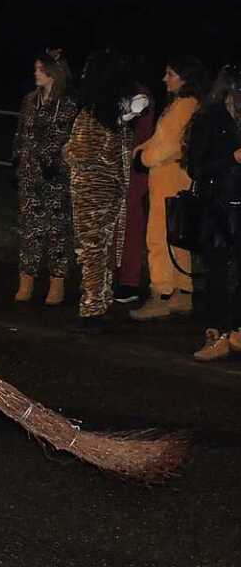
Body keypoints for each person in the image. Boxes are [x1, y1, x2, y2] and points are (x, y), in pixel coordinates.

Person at [129, 56, 209, 321]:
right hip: (175, 177)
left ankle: (162, 292)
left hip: (168, 179)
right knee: (177, 235)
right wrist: (141, 151)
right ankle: (183, 292)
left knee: (160, 236)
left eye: (170, 73)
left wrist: (143, 158)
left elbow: (167, 144)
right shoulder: (185, 104)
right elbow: (160, 139)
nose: (165, 78)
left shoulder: (183, 106)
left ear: (185, 78)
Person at [62, 49, 136, 332]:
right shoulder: (117, 116)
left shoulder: (93, 114)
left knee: (91, 250)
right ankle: (102, 302)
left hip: (91, 191)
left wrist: (66, 150)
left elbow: (79, 152)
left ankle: (92, 309)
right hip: (111, 189)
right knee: (102, 249)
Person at [183, 65, 241, 360]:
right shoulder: (209, 119)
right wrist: (232, 158)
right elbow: (196, 167)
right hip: (217, 210)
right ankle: (216, 333)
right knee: (218, 274)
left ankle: (237, 333)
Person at [12, 50, 78, 305]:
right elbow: (20, 134)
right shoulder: (30, 100)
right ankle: (26, 281)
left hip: (56, 179)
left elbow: (73, 141)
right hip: (30, 176)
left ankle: (56, 283)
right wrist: (16, 160)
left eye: (40, 69)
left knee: (57, 231)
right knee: (30, 229)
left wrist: (59, 164)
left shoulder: (69, 104)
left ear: (54, 72)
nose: (35, 73)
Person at [113, 70, 156, 304]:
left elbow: (142, 131)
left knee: (131, 225)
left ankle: (128, 281)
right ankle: (113, 274)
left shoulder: (139, 96)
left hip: (132, 169)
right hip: (115, 168)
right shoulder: (114, 94)